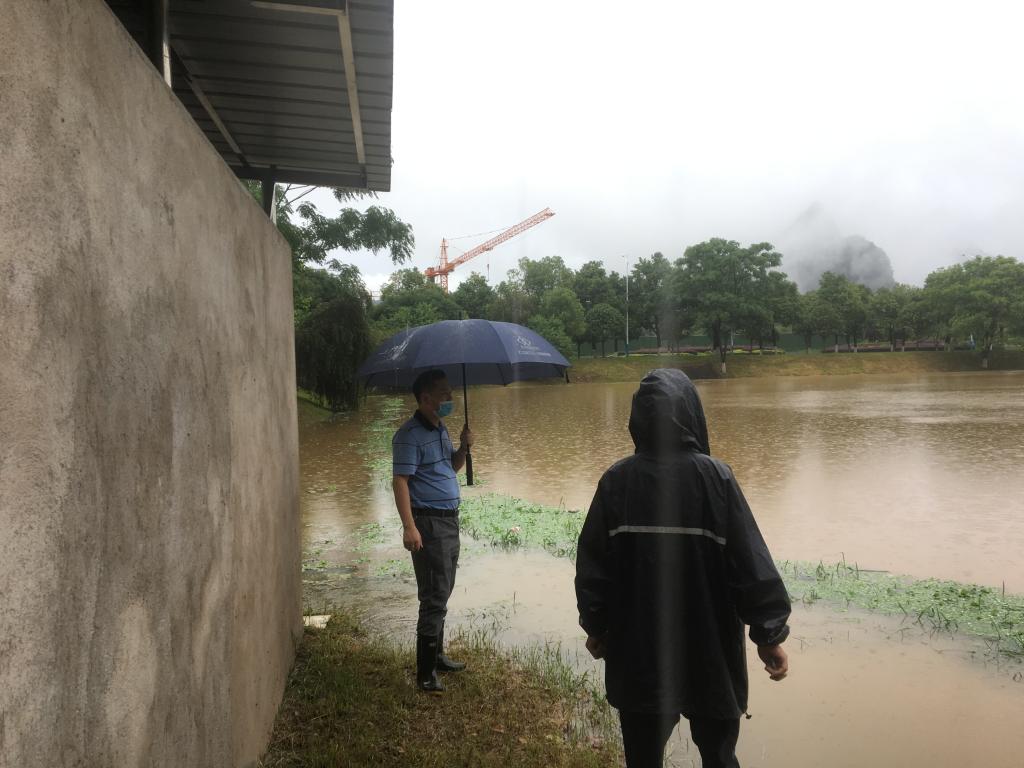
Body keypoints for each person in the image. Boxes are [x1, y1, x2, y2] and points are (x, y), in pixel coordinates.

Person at [575, 368, 791, 768]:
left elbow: (592, 571)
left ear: (637, 418)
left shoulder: (617, 481)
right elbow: (751, 566)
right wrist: (768, 636)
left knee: (643, 758)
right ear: (692, 415)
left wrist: (598, 628)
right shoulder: (717, 479)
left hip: (637, 653)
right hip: (711, 650)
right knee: (719, 755)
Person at [392, 369, 474, 693]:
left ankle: (438, 656)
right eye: (444, 394)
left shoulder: (439, 428)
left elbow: (449, 467)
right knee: (433, 595)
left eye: (450, 393)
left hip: (449, 520)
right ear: (425, 398)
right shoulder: (408, 436)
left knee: (444, 589)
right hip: (428, 523)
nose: (450, 400)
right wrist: (409, 527)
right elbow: (400, 482)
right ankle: (425, 674)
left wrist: (464, 448)